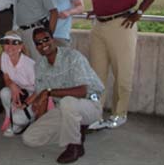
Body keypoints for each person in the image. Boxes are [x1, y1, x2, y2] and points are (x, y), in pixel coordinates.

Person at [87, 0, 161, 130]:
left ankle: (119, 114)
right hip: (98, 27)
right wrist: (98, 9)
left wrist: (140, 12)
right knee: (96, 75)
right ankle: (95, 112)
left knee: (122, 73)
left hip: (121, 25)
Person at [22, 27, 104, 164]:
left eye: (46, 39)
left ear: (53, 39)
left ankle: (74, 145)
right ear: (36, 47)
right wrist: (39, 121)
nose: (43, 44)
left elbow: (82, 91)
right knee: (30, 138)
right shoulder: (39, 66)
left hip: (90, 105)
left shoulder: (73, 56)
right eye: (38, 43)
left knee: (67, 102)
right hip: (64, 110)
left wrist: (49, 92)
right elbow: (42, 98)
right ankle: (76, 130)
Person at [0, 31, 35, 137]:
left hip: (33, 95)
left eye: (14, 42)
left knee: (18, 118)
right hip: (20, 91)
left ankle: (26, 118)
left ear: (21, 46)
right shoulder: (4, 56)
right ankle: (11, 118)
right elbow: (6, 76)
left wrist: (25, 104)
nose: (10, 46)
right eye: (6, 42)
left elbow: (40, 90)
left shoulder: (29, 65)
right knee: (4, 92)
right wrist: (12, 85)